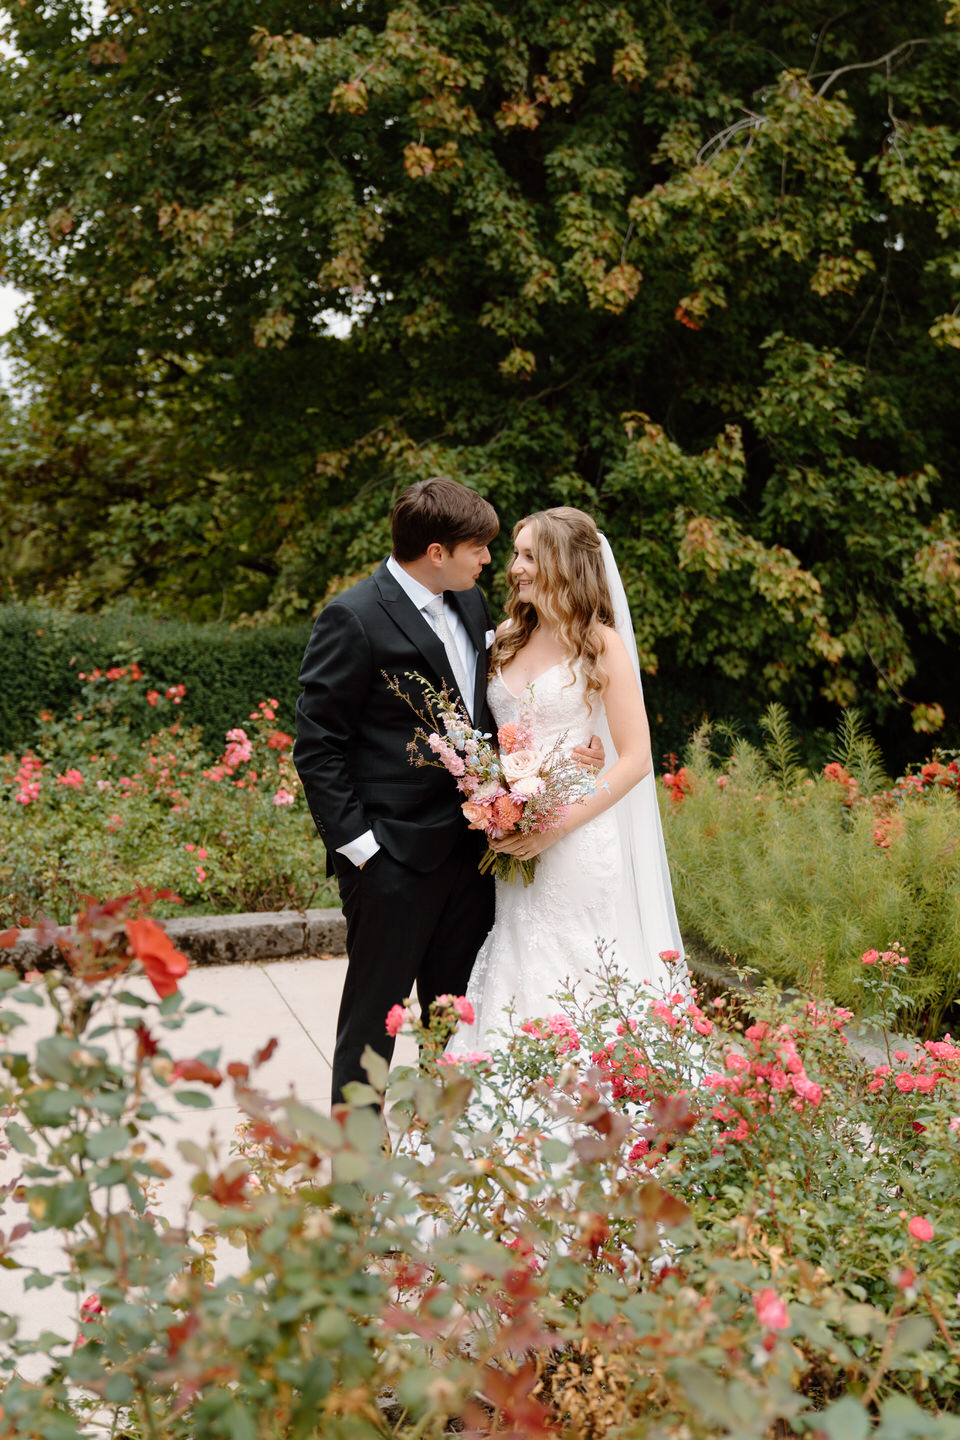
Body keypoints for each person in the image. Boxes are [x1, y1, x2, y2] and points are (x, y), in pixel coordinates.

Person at [294, 479, 602, 1106]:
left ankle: (440, 1161)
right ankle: (356, 1180)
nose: (489, 560)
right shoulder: (352, 617)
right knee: (371, 1028)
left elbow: (492, 718)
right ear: (436, 551)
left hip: (472, 856)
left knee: (458, 1022)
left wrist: (557, 765)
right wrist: (362, 852)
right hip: (392, 861)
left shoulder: (472, 605)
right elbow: (317, 745)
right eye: (479, 548)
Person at [449, 506, 685, 1054]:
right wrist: (494, 801)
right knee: (517, 956)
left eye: (530, 556)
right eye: (515, 554)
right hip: (513, 836)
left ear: (564, 564)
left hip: (576, 837)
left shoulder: (600, 643)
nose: (515, 567)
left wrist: (551, 828)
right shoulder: (503, 636)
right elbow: (487, 733)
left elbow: (635, 757)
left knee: (578, 966)